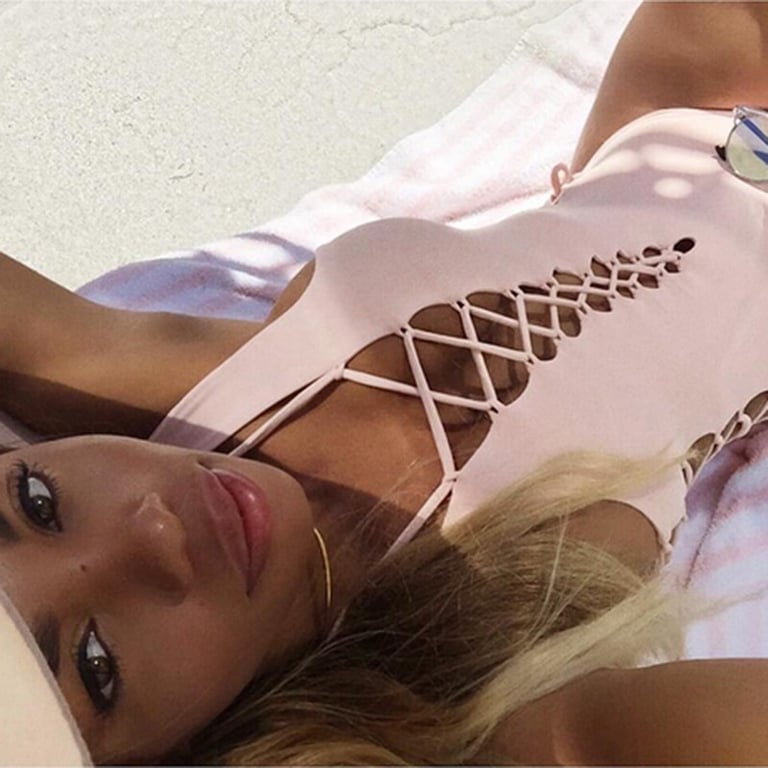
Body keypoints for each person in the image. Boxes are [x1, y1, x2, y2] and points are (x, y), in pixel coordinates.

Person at [1, 2, 768, 764]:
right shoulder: (448, 682)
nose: (154, 530)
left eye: (34, 501)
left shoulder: (188, 401)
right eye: (97, 666)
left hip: (680, 110)